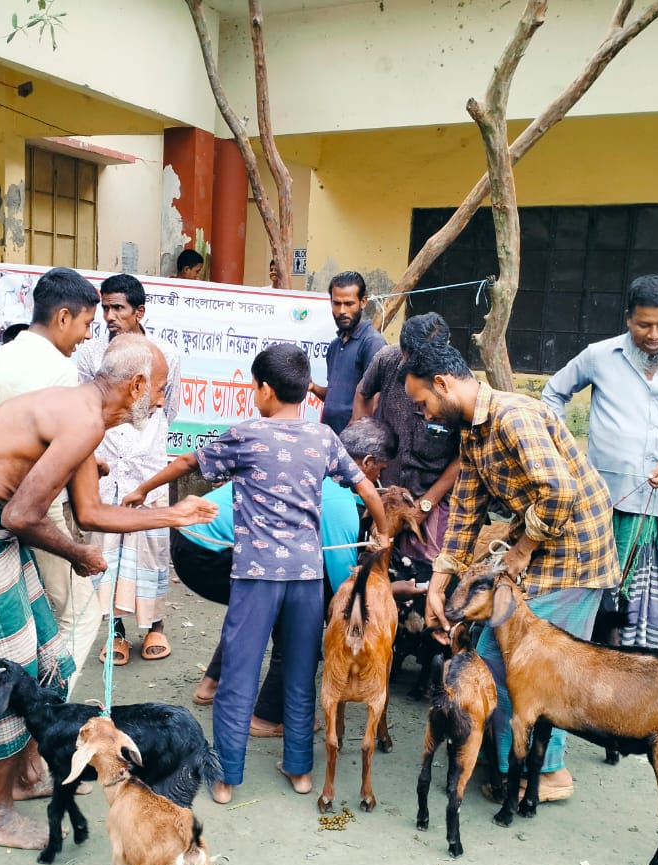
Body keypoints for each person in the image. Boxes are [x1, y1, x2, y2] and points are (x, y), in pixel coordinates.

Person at [0, 334, 218, 849]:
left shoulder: (87, 416)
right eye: (161, 388)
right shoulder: (83, 422)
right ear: (137, 385)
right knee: (5, 665)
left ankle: (27, 771)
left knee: (43, 648)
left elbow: (90, 512)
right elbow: (20, 515)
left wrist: (172, 513)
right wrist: (79, 554)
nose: (161, 400)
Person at [124, 344, 389, 803]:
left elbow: (189, 463)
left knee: (241, 675)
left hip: (254, 577)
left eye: (253, 386)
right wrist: (382, 533)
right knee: (302, 672)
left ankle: (226, 778)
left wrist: (142, 489)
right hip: (305, 580)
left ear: (264, 390)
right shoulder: (324, 438)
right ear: (306, 392)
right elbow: (366, 486)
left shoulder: (245, 434)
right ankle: (301, 772)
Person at [407, 339, 618, 803]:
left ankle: (548, 774)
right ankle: (503, 760)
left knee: (534, 670)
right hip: (544, 550)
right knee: (487, 655)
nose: (424, 415)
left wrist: (522, 548)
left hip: (574, 557)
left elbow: (559, 494)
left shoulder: (512, 416)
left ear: (443, 384)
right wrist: (440, 580)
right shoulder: (472, 432)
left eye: (423, 403)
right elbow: (465, 510)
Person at [542, 275, 658, 660]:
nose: (654, 334)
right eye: (644, 325)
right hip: (602, 511)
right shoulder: (599, 356)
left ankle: (657, 694)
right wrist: (566, 452)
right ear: (628, 318)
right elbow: (553, 393)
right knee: (596, 611)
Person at [182, 417, 399, 736]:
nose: (379, 479)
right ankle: (268, 717)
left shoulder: (308, 460)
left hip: (189, 541)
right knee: (296, 620)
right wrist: (387, 596)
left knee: (255, 606)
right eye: (379, 470)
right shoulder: (340, 502)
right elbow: (343, 593)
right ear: (366, 463)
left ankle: (211, 684)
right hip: (209, 551)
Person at [0, 267, 105, 672]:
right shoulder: (60, 370)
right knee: (82, 612)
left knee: (29, 608)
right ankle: (51, 708)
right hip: (37, 505)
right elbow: (57, 448)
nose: (87, 336)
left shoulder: (0, 356)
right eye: (86, 324)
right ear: (64, 317)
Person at [74, 274, 180, 664]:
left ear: (139, 311)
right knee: (106, 538)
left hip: (147, 450)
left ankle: (155, 625)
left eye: (118, 308)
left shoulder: (166, 351)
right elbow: (89, 404)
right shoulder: (91, 353)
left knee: (151, 540)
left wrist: (143, 433)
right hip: (106, 447)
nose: (109, 316)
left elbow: (169, 405)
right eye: (105, 308)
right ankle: (114, 630)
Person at [355, 312, 461, 564]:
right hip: (385, 486)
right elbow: (362, 394)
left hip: (431, 491)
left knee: (424, 570)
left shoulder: (459, 383)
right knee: (374, 558)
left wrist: (425, 505)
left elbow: (464, 456)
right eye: (410, 359)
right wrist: (362, 447)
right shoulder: (387, 359)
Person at [308, 271, 386, 435]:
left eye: (349, 304)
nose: (342, 310)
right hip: (330, 438)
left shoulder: (372, 342)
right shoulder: (335, 346)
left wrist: (354, 435)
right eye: (336, 303)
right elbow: (338, 397)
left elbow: (377, 400)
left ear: (363, 302)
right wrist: (314, 387)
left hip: (355, 444)